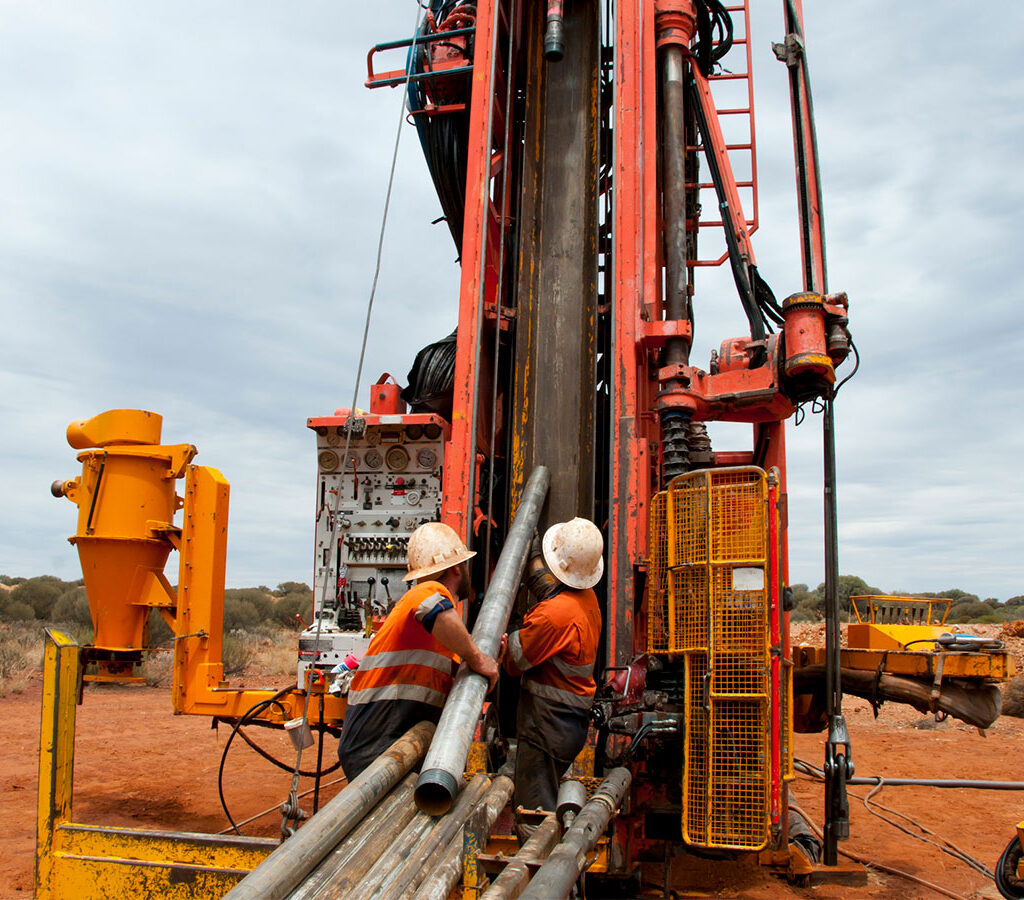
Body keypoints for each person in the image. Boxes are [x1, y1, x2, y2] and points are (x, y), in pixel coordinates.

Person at [337, 522, 499, 781]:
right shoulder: (427, 591)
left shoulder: (439, 632)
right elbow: (432, 609)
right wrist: (478, 658)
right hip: (377, 742)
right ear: (457, 568)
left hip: (384, 739)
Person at [502, 516, 603, 837]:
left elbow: (514, 661)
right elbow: (550, 592)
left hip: (546, 727)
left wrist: (510, 637)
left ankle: (541, 878)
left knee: (535, 813)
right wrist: (532, 561)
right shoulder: (587, 599)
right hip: (569, 723)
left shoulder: (554, 615)